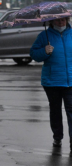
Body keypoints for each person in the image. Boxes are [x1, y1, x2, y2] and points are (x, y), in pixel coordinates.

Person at [30, 17, 72, 151]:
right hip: (52, 81)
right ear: (52, 22)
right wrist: (44, 51)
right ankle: (57, 137)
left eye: (64, 20)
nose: (61, 23)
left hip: (70, 81)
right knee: (55, 110)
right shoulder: (44, 36)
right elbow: (34, 54)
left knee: (71, 111)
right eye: (58, 20)